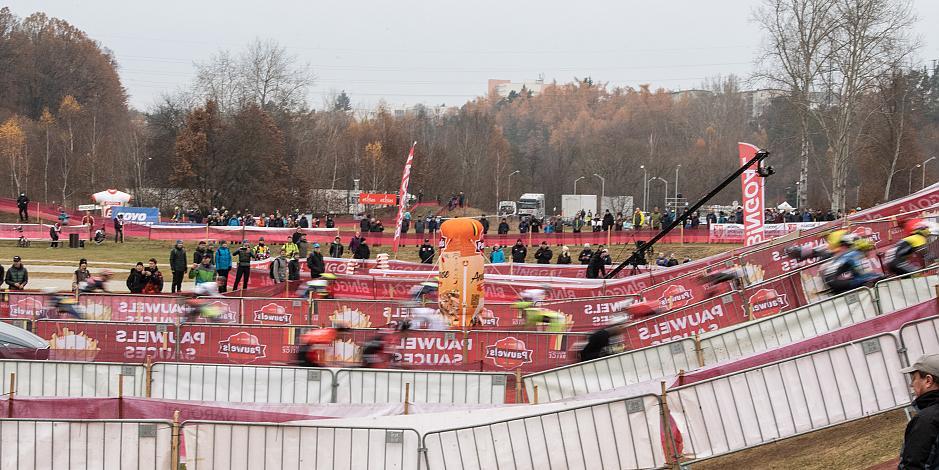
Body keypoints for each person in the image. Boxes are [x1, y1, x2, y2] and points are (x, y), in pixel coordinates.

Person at [899, 354, 939, 468]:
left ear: (928, 381)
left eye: (914, 378)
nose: (911, 384)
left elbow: (912, 465)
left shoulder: (927, 420)